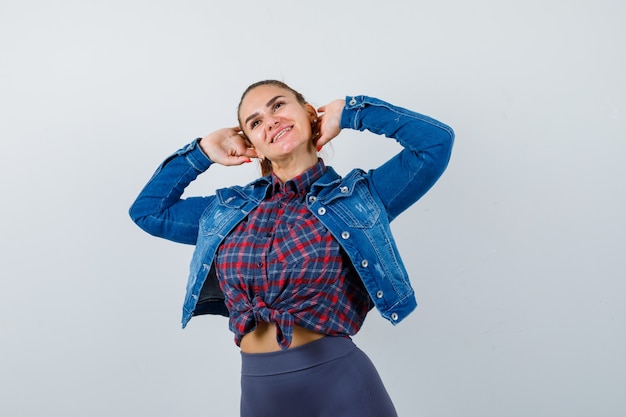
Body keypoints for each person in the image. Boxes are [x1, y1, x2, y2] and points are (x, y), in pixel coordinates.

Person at [129, 80, 454, 417]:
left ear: (309, 113)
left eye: (279, 106)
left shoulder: (361, 197)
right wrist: (201, 151)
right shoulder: (227, 210)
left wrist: (353, 112)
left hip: (342, 388)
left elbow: (435, 144)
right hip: (259, 396)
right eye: (255, 123)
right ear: (250, 143)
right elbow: (149, 211)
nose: (270, 121)